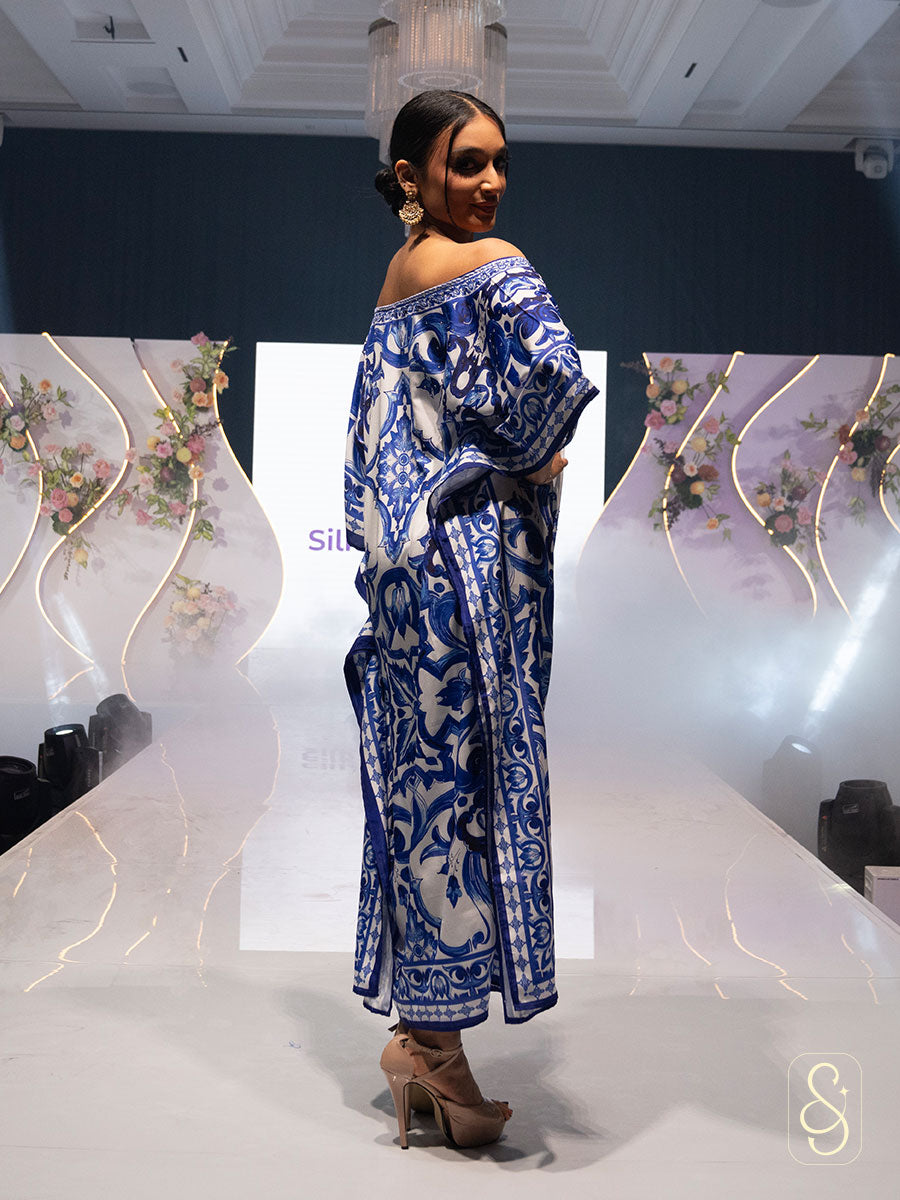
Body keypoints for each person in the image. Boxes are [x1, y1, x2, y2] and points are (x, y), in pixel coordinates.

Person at [343, 89, 598, 1150]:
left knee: (424, 789)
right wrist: (517, 453)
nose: (491, 183)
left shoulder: (398, 281)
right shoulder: (495, 266)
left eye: (499, 163)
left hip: (409, 584)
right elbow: (556, 372)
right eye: (467, 165)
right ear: (411, 178)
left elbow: (376, 446)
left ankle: (422, 1039)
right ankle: (431, 1051)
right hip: (471, 574)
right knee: (473, 784)